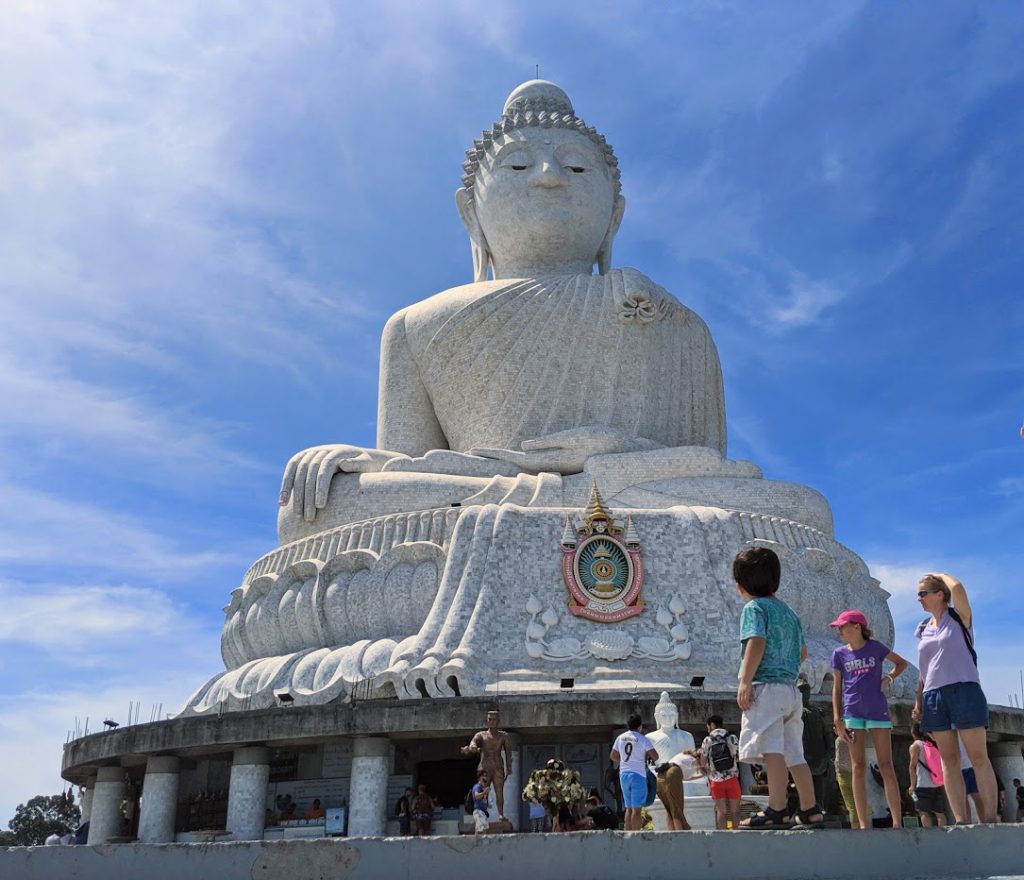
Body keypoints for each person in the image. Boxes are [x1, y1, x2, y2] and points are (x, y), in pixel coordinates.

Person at [732, 545, 823, 828]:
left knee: (772, 750)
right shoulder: (789, 612)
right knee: (794, 752)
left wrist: (745, 680)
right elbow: (803, 652)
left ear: (741, 585)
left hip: (767, 688)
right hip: (790, 689)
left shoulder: (754, 608)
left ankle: (777, 807)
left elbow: (756, 642)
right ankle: (809, 808)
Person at [912, 572, 998, 823]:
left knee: (977, 756)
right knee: (949, 760)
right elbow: (924, 669)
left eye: (923, 593)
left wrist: (938, 575)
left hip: (964, 689)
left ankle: (990, 818)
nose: (919, 599)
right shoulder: (923, 628)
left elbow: (958, 587)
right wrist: (919, 701)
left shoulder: (959, 618)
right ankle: (961, 819)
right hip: (933, 695)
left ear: (940, 594)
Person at [829, 609, 909, 829]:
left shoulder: (876, 647)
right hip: (852, 712)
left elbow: (901, 663)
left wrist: (888, 678)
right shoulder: (838, 654)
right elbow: (837, 687)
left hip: (877, 711)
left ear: (857, 627)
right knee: (858, 767)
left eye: (843, 626)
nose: (840, 630)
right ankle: (864, 823)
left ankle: (897, 823)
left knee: (886, 765)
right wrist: (837, 718)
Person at [461, 710, 514, 820]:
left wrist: (509, 767)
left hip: (498, 765)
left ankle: (501, 814)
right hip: (485, 765)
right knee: (482, 790)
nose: (492, 722)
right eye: (490, 719)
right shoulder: (481, 734)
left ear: (498, 721)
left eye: (494, 719)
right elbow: (474, 742)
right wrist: (472, 747)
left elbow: (508, 752)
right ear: (486, 721)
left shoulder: (503, 736)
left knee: (499, 791)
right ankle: (481, 812)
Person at [610, 712, 658, 831]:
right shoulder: (642, 739)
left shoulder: (620, 737)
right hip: (638, 775)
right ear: (640, 726)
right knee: (637, 809)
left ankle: (628, 834)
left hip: (624, 774)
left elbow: (613, 756)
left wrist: (625, 759)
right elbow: (655, 756)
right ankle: (636, 836)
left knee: (629, 808)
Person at [700, 715, 741, 829]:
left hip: (716, 781)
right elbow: (739, 755)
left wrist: (708, 769)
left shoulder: (707, 740)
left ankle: (723, 836)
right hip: (732, 779)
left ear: (711, 725)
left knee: (721, 812)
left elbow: (702, 762)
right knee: (735, 811)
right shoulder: (731, 737)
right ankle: (737, 834)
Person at [908, 723, 947, 827]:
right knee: (940, 813)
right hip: (936, 783)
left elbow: (912, 766)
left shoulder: (915, 746)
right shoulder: (932, 744)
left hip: (922, 784)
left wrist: (912, 785)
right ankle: (943, 833)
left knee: (923, 812)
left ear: (913, 733)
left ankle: (928, 834)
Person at [834, 727, 861, 827]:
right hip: (856, 773)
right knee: (859, 803)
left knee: (851, 805)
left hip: (844, 774)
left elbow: (839, 760)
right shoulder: (855, 739)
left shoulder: (839, 740)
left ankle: (855, 828)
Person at [471, 769, 491, 834]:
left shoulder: (482, 788)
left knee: (484, 830)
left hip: (482, 812)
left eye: (486, 776)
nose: (486, 778)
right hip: (478, 811)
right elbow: (476, 796)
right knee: (480, 830)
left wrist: (485, 800)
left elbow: (484, 801)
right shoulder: (477, 786)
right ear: (480, 777)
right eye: (484, 776)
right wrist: (484, 792)